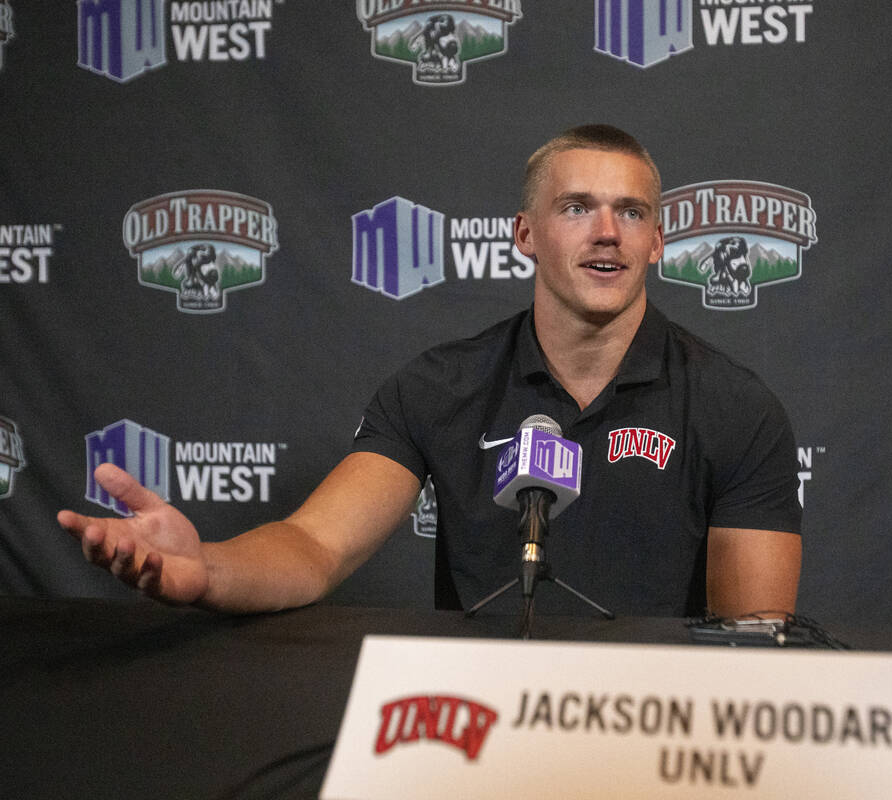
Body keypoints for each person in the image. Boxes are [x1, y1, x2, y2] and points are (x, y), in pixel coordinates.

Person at [56, 125, 804, 618]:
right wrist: (208, 570)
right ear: (525, 235)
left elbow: (751, 648)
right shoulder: (442, 387)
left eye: (631, 213)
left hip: (654, 745)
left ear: (658, 243)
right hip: (475, 732)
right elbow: (315, 547)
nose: (607, 232)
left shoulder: (734, 407)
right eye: (577, 207)